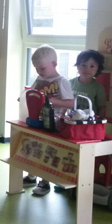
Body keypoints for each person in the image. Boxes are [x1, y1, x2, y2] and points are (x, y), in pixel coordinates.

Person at [24, 45, 74, 196]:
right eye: (36, 68)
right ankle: (32, 176)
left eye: (42, 68)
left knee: (46, 152)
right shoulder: (40, 79)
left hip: (53, 123)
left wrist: (51, 101)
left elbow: (70, 103)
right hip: (37, 120)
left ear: (54, 64)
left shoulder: (61, 81)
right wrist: (24, 97)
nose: (39, 72)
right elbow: (31, 92)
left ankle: (44, 183)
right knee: (33, 147)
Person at [70, 50, 107, 118]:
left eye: (92, 66)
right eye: (83, 65)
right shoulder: (70, 83)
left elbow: (102, 108)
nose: (87, 69)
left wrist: (98, 121)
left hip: (89, 122)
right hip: (72, 120)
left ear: (98, 68)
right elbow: (65, 103)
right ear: (77, 66)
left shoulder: (98, 88)